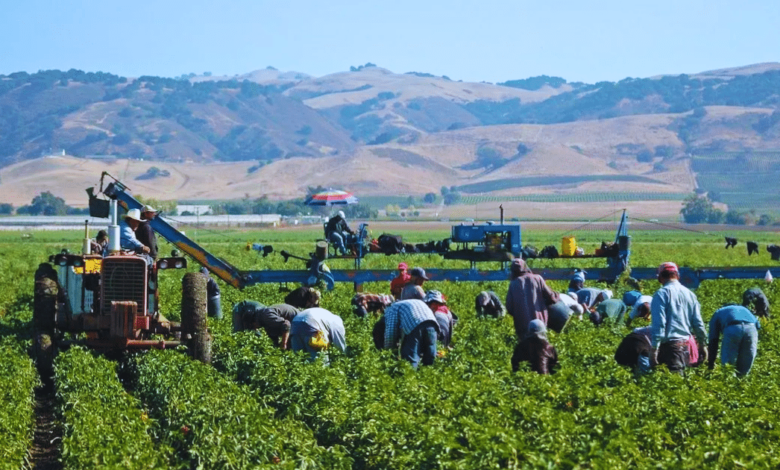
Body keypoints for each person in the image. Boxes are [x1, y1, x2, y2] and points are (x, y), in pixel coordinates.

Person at [650, 262, 707, 374]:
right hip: (688, 346)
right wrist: (702, 344)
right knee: (685, 385)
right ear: (677, 276)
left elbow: (660, 324)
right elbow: (698, 323)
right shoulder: (690, 294)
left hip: (671, 348)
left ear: (660, 277)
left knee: (671, 385)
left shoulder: (661, 294)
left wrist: (654, 349)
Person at [505, 258, 559, 338]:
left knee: (526, 347)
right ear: (525, 267)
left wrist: (519, 313)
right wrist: (557, 295)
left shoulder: (513, 284)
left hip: (522, 325)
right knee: (541, 344)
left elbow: (509, 307)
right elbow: (551, 297)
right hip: (539, 321)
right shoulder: (537, 278)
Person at [708, 299, 761, 375]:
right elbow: (758, 326)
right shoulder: (745, 310)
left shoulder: (719, 312)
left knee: (728, 363)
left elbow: (713, 340)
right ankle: (742, 381)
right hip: (751, 329)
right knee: (746, 360)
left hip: (732, 327)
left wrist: (711, 363)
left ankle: (728, 380)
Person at [383, 298, 439, 369]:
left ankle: (411, 377)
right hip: (432, 323)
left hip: (414, 324)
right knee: (430, 355)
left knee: (412, 358)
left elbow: (390, 334)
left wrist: (389, 353)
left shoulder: (391, 310)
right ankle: (429, 375)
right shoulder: (408, 303)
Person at [232, 301, 299, 349]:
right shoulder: (264, 322)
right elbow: (273, 335)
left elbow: (286, 325)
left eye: (253, 327)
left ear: (254, 322)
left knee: (294, 347)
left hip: (299, 321)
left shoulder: (266, 317)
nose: (255, 329)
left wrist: (284, 344)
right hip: (294, 322)